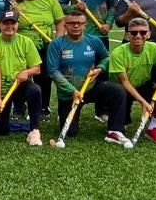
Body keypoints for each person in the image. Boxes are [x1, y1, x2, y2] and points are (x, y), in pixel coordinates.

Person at [47, 12, 130, 145]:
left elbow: (106, 57)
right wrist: (72, 90)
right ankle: (66, 114)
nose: (76, 26)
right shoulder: (56, 44)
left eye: (79, 23)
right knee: (71, 133)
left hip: (91, 87)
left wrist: (100, 68)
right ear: (65, 25)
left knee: (117, 91)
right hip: (69, 93)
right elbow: (53, 71)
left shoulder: (94, 40)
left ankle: (115, 130)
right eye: (71, 23)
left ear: (85, 25)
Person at [108, 18, 156, 143]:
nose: (138, 36)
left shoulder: (154, 48)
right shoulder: (118, 53)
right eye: (133, 33)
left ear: (148, 34)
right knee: (121, 126)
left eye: (143, 32)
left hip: (143, 85)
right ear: (128, 35)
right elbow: (124, 82)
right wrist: (144, 102)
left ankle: (152, 127)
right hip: (121, 90)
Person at [0, 10, 43, 145]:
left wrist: (26, 72)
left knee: (35, 90)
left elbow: (37, 68)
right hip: (2, 89)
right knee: (1, 131)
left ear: (17, 25)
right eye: (6, 23)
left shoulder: (26, 42)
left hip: (21, 85)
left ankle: (34, 130)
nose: (9, 26)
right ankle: (4, 122)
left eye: (13, 23)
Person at [14, 0, 64, 118]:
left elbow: (60, 21)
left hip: (46, 44)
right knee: (22, 76)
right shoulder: (18, 5)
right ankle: (19, 106)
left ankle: (43, 107)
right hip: (24, 46)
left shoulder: (49, 1)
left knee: (45, 76)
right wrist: (16, 14)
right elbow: (10, 25)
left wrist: (58, 40)